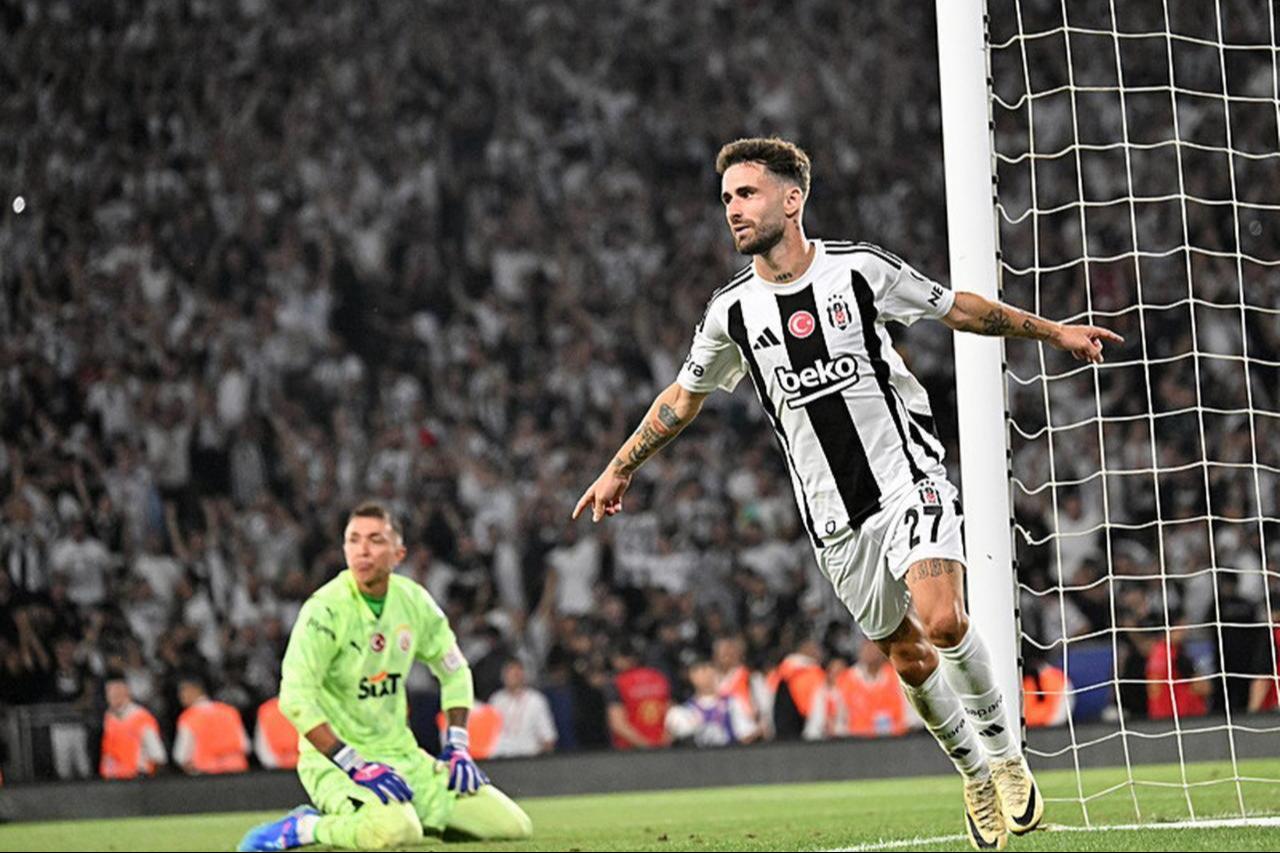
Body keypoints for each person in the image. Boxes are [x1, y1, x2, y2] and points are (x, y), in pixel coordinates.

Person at [573, 137, 1123, 850]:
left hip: (907, 479)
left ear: (791, 198)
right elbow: (684, 397)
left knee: (944, 619)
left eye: (746, 194)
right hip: (833, 517)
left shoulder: (859, 271)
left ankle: (1010, 759)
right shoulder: (731, 312)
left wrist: (1054, 333)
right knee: (907, 656)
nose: (733, 210)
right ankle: (974, 774)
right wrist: (620, 466)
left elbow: (957, 308)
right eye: (727, 199)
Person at [238, 502, 531, 852]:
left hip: (403, 756)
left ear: (398, 553)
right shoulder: (325, 610)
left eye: (375, 540)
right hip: (337, 763)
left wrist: (457, 745)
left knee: (511, 826)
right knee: (394, 832)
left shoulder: (413, 602)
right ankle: (305, 827)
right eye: (353, 540)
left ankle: (407, 811)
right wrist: (353, 763)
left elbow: (455, 672)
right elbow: (295, 699)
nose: (362, 549)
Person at [173, 675, 250, 774]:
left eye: (182, 693)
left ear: (193, 691)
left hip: (207, 775)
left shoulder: (189, 717)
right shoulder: (229, 711)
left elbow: (181, 755)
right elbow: (245, 745)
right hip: (237, 770)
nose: (180, 698)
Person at [488, 659, 558, 758]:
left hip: (529, 757)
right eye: (509, 674)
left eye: (517, 674)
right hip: (501, 758)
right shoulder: (496, 700)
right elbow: (489, 733)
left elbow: (548, 737)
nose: (513, 677)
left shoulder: (536, 700)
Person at [100, 677, 167, 780]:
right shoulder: (109, 716)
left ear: (127, 694)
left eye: (117, 693)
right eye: (110, 693)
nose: (112, 697)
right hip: (114, 778)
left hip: (137, 780)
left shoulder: (142, 717)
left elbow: (158, 755)